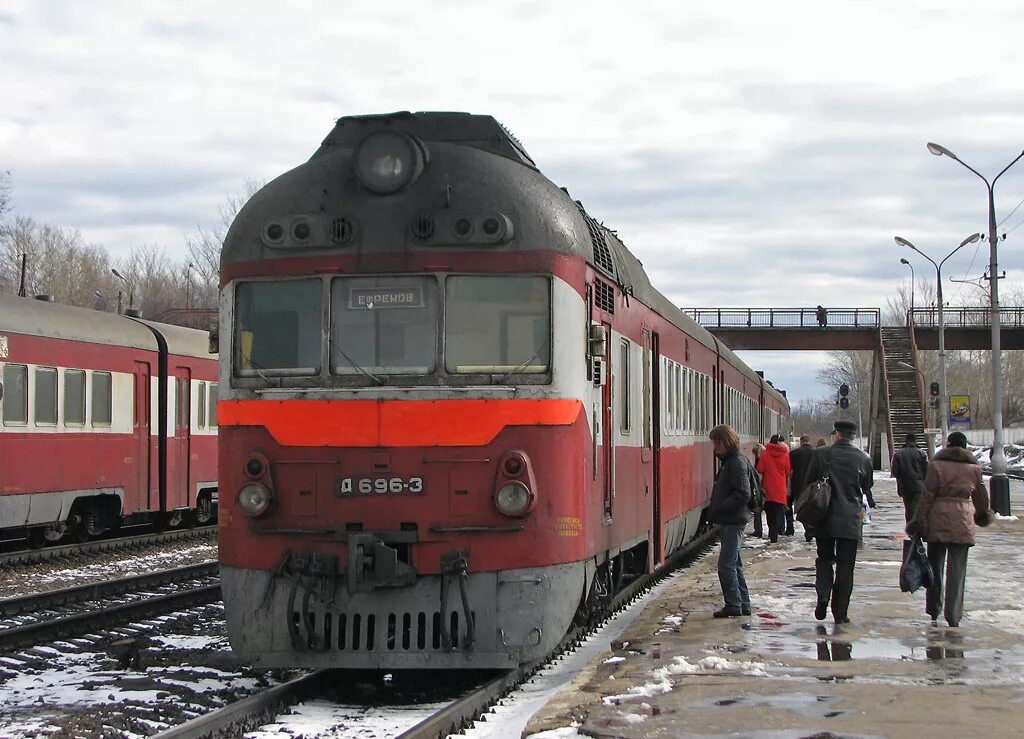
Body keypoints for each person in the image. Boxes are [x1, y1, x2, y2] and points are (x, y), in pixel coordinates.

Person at [908, 431, 992, 628]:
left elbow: (927, 495)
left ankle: (933, 609)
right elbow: (981, 496)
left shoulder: (936, 466)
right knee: (957, 570)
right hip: (962, 520)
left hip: (937, 519)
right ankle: (953, 615)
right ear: (964, 447)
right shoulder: (974, 469)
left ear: (948, 445)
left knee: (934, 567)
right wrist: (982, 515)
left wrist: (919, 520)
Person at [804, 420, 874, 624]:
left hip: (823, 516)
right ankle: (840, 612)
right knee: (846, 566)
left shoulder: (821, 454)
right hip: (850, 519)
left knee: (824, 559)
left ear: (836, 434)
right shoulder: (862, 458)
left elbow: (808, 482)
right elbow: (867, 485)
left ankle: (823, 595)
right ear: (852, 436)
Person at [706, 424, 753, 618]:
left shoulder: (735, 463)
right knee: (735, 564)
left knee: (726, 565)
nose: (714, 449)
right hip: (733, 519)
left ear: (724, 442)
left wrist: (719, 508)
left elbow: (743, 493)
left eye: (716, 444)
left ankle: (734, 604)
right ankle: (743, 603)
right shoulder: (732, 461)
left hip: (733, 520)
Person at [756, 434, 791, 543]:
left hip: (768, 487)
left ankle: (772, 533)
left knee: (769, 512)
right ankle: (776, 533)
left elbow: (760, 469)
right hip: (780, 488)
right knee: (778, 512)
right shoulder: (785, 455)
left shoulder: (765, 454)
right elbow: (787, 471)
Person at [891, 432, 928, 523]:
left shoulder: (898, 454)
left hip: (905, 485)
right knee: (919, 508)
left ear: (906, 440)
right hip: (919, 485)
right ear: (915, 441)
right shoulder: (922, 453)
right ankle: (918, 530)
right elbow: (927, 470)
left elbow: (895, 472)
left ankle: (911, 530)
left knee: (909, 508)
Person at [789, 434, 816, 539]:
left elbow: (789, 469)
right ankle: (811, 528)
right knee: (811, 508)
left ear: (801, 441)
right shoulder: (815, 453)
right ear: (808, 441)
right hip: (812, 485)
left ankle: (807, 529)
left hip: (798, 484)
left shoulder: (794, 453)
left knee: (801, 507)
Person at [750, 441, 766, 538]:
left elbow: (758, 473)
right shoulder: (764, 459)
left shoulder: (760, 461)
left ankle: (758, 530)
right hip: (765, 487)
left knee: (757, 509)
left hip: (761, 488)